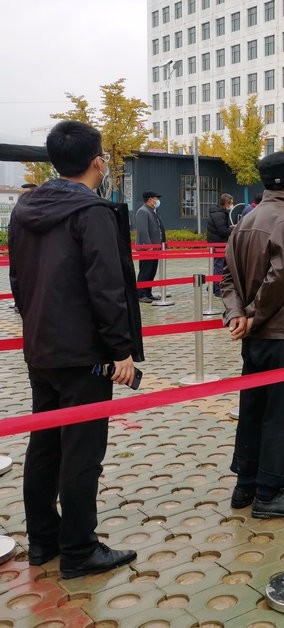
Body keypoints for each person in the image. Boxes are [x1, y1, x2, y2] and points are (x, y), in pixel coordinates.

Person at [9, 120, 143, 579]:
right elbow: (106, 286)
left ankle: (43, 541)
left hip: (41, 347)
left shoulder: (25, 209)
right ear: (97, 161)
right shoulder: (92, 211)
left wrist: (34, 326)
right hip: (85, 353)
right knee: (82, 453)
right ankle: (80, 550)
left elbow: (18, 279)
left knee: (45, 445)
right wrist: (121, 349)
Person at [220, 152, 284, 519]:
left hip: (256, 336)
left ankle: (245, 485)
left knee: (255, 409)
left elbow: (227, 276)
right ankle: (269, 492)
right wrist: (251, 315)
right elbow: (282, 276)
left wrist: (237, 313)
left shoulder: (247, 219)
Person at [133, 191, 165, 303]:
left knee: (152, 271)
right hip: (147, 248)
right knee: (145, 271)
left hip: (155, 247)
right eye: (156, 198)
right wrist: (148, 245)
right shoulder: (143, 211)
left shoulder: (153, 211)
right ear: (150, 199)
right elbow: (142, 231)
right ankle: (140, 294)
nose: (157, 201)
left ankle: (148, 293)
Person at [206, 193, 233, 297]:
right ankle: (218, 290)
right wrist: (232, 229)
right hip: (219, 244)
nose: (232, 205)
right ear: (226, 203)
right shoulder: (219, 215)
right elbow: (223, 231)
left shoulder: (218, 213)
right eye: (231, 203)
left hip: (216, 243)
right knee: (219, 266)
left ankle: (213, 287)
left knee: (217, 266)